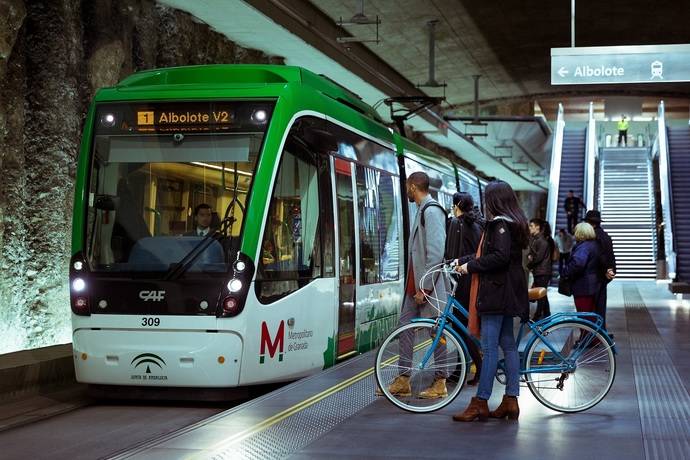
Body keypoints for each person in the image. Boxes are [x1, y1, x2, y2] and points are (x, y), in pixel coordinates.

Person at [453, 180, 529, 422]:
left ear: (494, 200)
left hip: (496, 294)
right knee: (507, 344)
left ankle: (481, 401)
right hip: (507, 293)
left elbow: (498, 257)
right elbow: (490, 254)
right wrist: (462, 260)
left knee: (488, 347)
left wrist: (469, 267)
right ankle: (510, 400)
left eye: (487, 198)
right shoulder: (512, 224)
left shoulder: (500, 225)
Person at [383, 172, 448, 399]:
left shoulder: (431, 211)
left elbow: (436, 254)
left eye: (407, 187)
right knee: (405, 327)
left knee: (436, 330)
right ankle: (403, 378)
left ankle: (440, 381)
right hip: (415, 287)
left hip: (426, 287)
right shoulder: (421, 210)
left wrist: (426, 288)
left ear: (412, 187)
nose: (406, 191)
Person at [444, 192, 483, 385]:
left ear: (457, 205)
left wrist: (453, 262)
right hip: (475, 278)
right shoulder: (477, 222)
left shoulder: (457, 223)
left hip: (463, 278)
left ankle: (468, 368)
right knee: (469, 326)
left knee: (460, 327)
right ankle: (468, 367)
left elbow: (451, 253)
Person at [584, 210, 616, 333]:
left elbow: (600, 257)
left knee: (591, 308)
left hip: (593, 276)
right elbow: (611, 256)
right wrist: (610, 272)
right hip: (603, 277)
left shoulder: (593, 238)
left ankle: (594, 336)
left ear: (590, 223)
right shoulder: (606, 236)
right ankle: (601, 333)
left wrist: (604, 270)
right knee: (600, 307)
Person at [561, 222, 600, 316]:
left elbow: (578, 263)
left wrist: (565, 272)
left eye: (576, 231)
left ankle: (585, 331)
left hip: (583, 286)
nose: (574, 234)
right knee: (589, 314)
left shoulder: (584, 247)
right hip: (591, 285)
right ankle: (589, 331)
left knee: (583, 315)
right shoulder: (593, 245)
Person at [527, 218, 552, 321]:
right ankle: (547, 314)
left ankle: (537, 316)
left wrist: (529, 264)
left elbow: (538, 258)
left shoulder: (542, 241)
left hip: (542, 271)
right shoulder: (536, 239)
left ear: (537, 227)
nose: (529, 228)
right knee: (542, 294)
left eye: (531, 226)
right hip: (540, 271)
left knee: (540, 295)